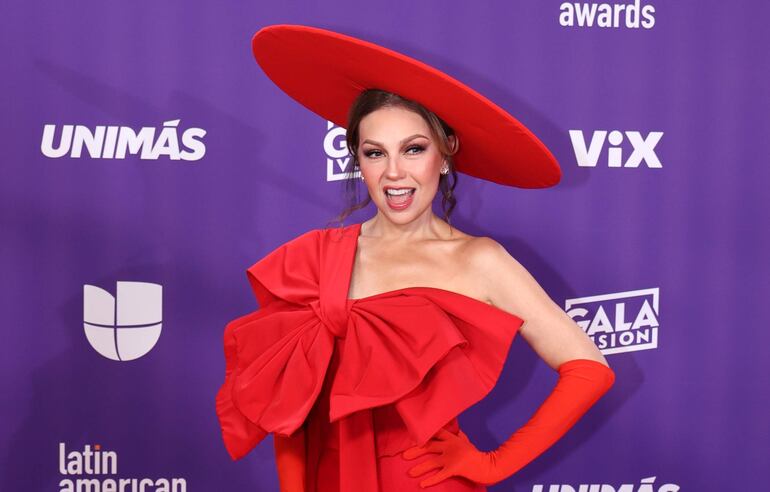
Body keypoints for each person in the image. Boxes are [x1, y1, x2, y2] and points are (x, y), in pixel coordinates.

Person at [215, 25, 615, 492]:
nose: (394, 173)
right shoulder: (313, 258)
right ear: (358, 160)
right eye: (375, 153)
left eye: (413, 149)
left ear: (444, 155)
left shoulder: (479, 260)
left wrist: (492, 466)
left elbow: (589, 370)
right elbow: (287, 408)